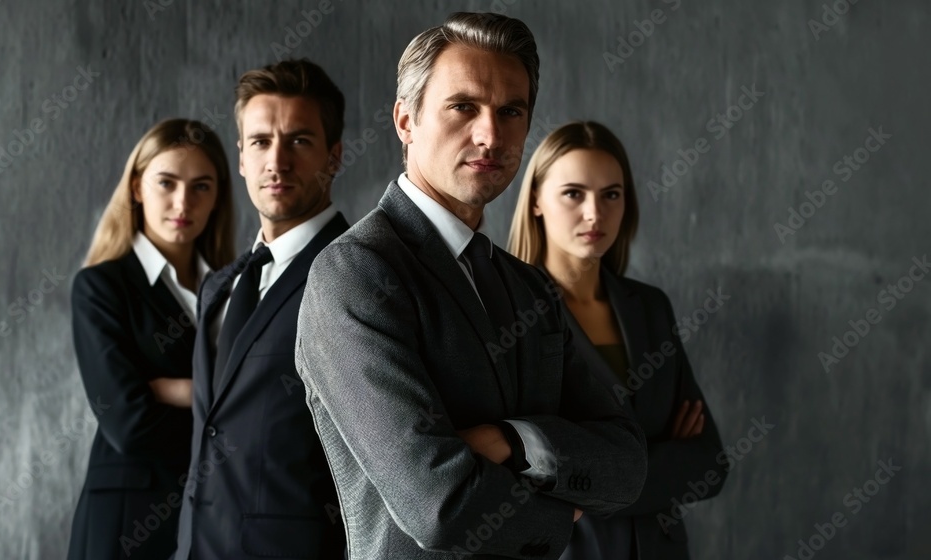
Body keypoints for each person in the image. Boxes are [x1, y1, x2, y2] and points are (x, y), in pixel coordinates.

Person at [295, 13, 647, 559]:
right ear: (405, 120)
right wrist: (562, 511)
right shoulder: (355, 272)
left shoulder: (530, 287)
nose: (491, 134)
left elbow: (627, 464)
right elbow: (438, 506)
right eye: (463, 107)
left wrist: (514, 441)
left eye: (511, 111)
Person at [508, 121, 728, 560]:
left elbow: (708, 463)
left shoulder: (650, 307)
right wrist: (660, 456)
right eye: (573, 193)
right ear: (535, 199)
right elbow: (522, 469)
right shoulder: (511, 316)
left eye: (612, 194)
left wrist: (589, 473)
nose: (595, 213)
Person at [173, 59, 349, 559]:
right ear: (242, 159)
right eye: (260, 142)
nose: (278, 161)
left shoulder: (359, 276)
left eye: (298, 141)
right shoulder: (219, 288)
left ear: (334, 155)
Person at [68, 118, 235, 560]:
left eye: (201, 186)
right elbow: (128, 422)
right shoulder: (101, 287)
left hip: (215, 519)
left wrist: (174, 390)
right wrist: (222, 409)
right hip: (128, 521)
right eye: (167, 183)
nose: (184, 202)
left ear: (218, 196)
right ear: (138, 187)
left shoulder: (234, 289)